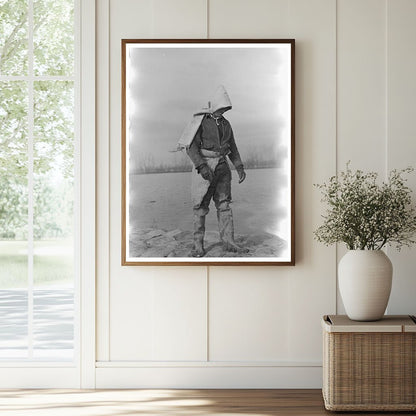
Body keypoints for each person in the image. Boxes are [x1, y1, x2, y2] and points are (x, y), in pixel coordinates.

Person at [178, 86, 248, 257]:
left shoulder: (226, 124)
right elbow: (191, 146)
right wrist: (201, 166)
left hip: (223, 168)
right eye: (221, 107)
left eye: (226, 108)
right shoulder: (200, 122)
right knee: (200, 206)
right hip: (205, 167)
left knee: (224, 205)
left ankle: (229, 243)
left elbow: (232, 147)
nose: (223, 110)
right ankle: (198, 246)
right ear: (215, 105)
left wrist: (239, 167)